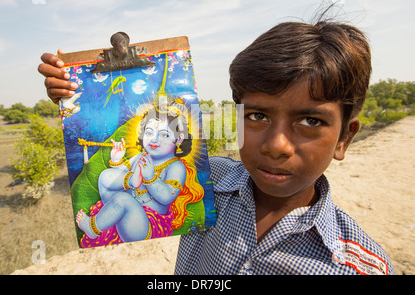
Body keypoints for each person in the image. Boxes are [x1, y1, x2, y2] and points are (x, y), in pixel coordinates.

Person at [38, 18, 395, 275]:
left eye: (311, 121)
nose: (276, 145)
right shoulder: (211, 182)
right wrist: (81, 94)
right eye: (257, 116)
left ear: (345, 138)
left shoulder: (356, 266)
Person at [76, 100, 204, 247]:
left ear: (179, 139)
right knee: (106, 175)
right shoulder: (139, 157)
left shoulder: (176, 167)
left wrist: (150, 178)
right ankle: (130, 183)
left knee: (123, 200)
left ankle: (93, 228)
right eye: (149, 133)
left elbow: (167, 197)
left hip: (146, 225)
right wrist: (117, 160)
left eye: (164, 135)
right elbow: (116, 179)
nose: (154, 139)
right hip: (122, 210)